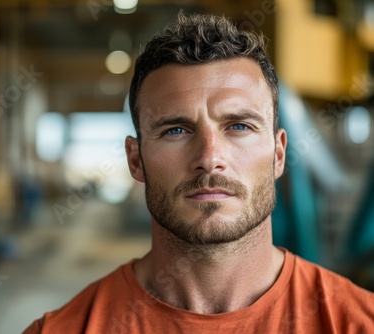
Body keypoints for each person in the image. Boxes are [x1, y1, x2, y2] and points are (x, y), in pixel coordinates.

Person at [23, 12, 374, 333]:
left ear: (278, 154)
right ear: (136, 160)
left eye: (238, 126)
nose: (209, 158)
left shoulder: (359, 321)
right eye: (176, 130)